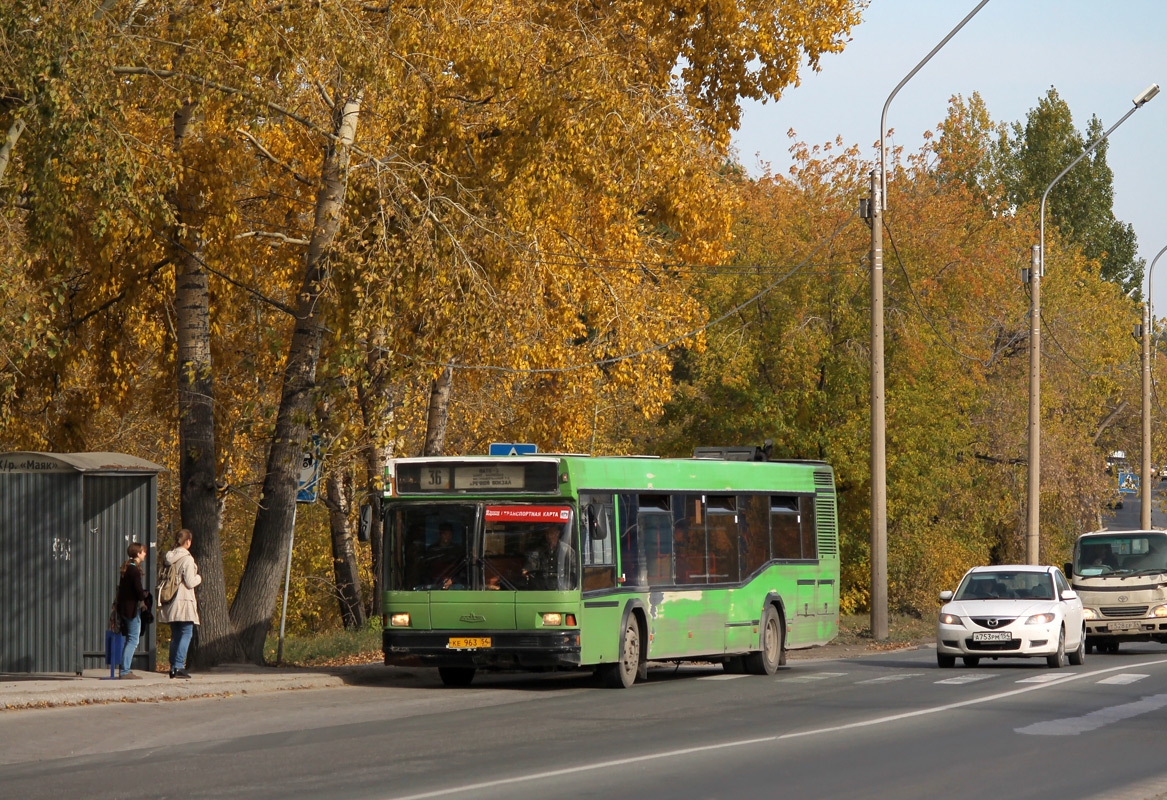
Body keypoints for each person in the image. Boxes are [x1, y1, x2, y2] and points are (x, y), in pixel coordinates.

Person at [157, 528, 201, 679]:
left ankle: (173, 667)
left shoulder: (169, 557)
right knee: (186, 632)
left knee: (176, 634)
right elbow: (189, 582)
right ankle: (179, 665)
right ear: (188, 542)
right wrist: (199, 578)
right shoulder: (187, 559)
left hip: (170, 601)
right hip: (183, 600)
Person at [115, 542, 150, 679]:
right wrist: (143, 600)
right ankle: (125, 671)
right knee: (133, 639)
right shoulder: (134, 570)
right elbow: (137, 589)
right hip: (132, 609)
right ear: (138, 554)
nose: (145, 554)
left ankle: (124, 669)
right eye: (143, 552)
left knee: (129, 638)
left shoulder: (127, 568)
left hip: (124, 607)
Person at [523, 526, 577, 590]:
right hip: (541, 588)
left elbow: (574, 570)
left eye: (551, 533)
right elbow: (531, 563)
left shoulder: (567, 551)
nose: (549, 536)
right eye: (547, 533)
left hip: (561, 589)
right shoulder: (540, 551)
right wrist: (526, 570)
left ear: (557, 533)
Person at [424, 522, 465, 589]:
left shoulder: (457, 550)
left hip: (453, 584)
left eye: (449, 534)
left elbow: (461, 570)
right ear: (440, 535)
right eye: (445, 534)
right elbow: (427, 571)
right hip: (434, 584)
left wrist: (452, 580)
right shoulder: (432, 550)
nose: (447, 537)